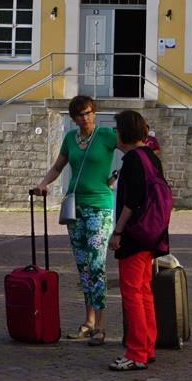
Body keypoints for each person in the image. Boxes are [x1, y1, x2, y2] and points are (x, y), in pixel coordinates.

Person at [29, 95, 119, 344]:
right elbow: (58, 167)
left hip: (99, 207)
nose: (85, 118)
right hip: (74, 207)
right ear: (73, 118)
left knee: (96, 264)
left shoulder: (106, 136)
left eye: (89, 113)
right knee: (83, 266)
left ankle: (100, 325)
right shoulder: (70, 138)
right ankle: (88, 321)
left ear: (95, 113)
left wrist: (115, 176)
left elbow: (137, 150)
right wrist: (43, 185)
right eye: (80, 114)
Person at [107, 108, 171, 371]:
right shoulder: (151, 157)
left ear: (124, 133)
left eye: (116, 129)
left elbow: (131, 203)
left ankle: (135, 352)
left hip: (134, 234)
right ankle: (147, 346)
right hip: (152, 234)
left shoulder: (133, 159)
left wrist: (118, 232)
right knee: (144, 291)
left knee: (132, 293)